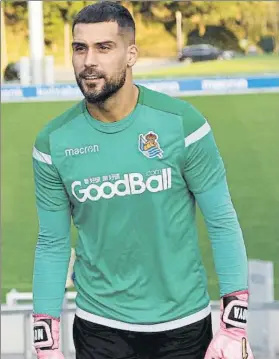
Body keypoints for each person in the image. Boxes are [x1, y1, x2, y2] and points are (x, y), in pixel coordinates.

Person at [31, 2, 254, 359]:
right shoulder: (52, 143)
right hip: (100, 328)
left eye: (104, 47)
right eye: (79, 48)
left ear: (131, 53)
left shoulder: (183, 124)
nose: (89, 60)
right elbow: (52, 243)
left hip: (183, 326)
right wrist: (46, 341)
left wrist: (234, 326)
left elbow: (223, 221)